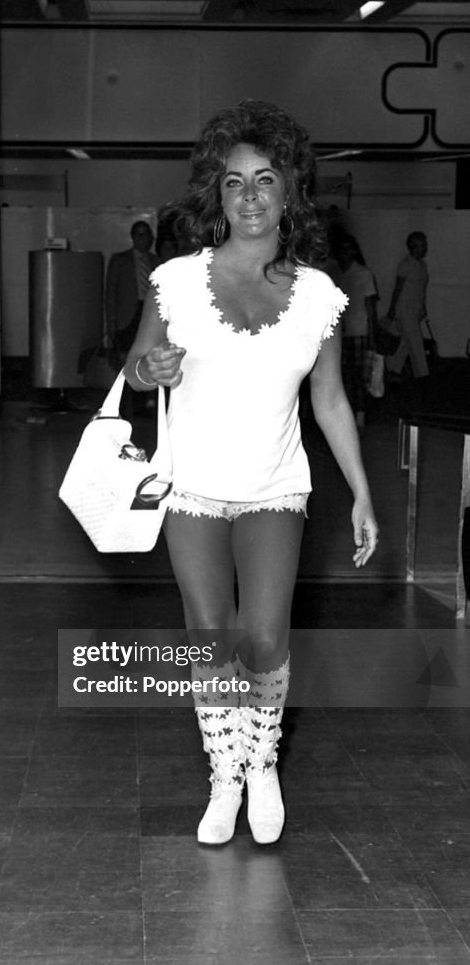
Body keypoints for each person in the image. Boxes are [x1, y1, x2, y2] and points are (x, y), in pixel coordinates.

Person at [125, 99, 378, 846]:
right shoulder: (174, 280)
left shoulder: (321, 297)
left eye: (266, 180)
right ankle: (224, 775)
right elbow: (136, 372)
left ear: (291, 190)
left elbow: (330, 402)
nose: (251, 197)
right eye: (235, 183)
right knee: (210, 638)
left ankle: (261, 761)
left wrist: (362, 491)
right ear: (217, 194)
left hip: (275, 486)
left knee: (263, 637)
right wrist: (151, 367)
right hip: (193, 488)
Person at [334, 233, 378, 431]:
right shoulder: (332, 272)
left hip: (358, 331)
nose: (346, 253)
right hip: (336, 333)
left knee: (359, 376)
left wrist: (372, 335)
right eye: (342, 249)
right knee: (340, 376)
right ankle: (345, 414)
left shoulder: (363, 273)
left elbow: (370, 308)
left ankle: (360, 415)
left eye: (349, 249)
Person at [105, 220, 160, 357]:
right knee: (125, 352)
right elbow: (111, 293)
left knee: (147, 353)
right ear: (133, 237)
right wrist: (111, 324)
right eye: (139, 235)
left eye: (146, 235)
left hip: (149, 312)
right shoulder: (120, 260)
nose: (142, 239)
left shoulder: (155, 261)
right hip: (127, 315)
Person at [385, 231, 429, 379]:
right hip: (404, 310)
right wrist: (392, 309)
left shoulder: (422, 265)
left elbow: (421, 289)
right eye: (421, 245)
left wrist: (423, 307)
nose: (424, 248)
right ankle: (423, 374)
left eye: (424, 245)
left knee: (406, 341)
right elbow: (397, 288)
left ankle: (393, 369)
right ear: (413, 247)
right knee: (416, 341)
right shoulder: (404, 265)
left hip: (416, 309)